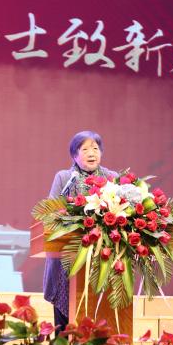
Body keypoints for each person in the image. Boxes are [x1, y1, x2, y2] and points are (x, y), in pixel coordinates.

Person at [43, 130, 116, 331]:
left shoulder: (112, 178)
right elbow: (50, 213)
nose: (91, 153)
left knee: (100, 321)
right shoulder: (65, 177)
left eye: (95, 148)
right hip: (67, 262)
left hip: (102, 260)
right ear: (74, 155)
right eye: (84, 149)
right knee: (65, 326)